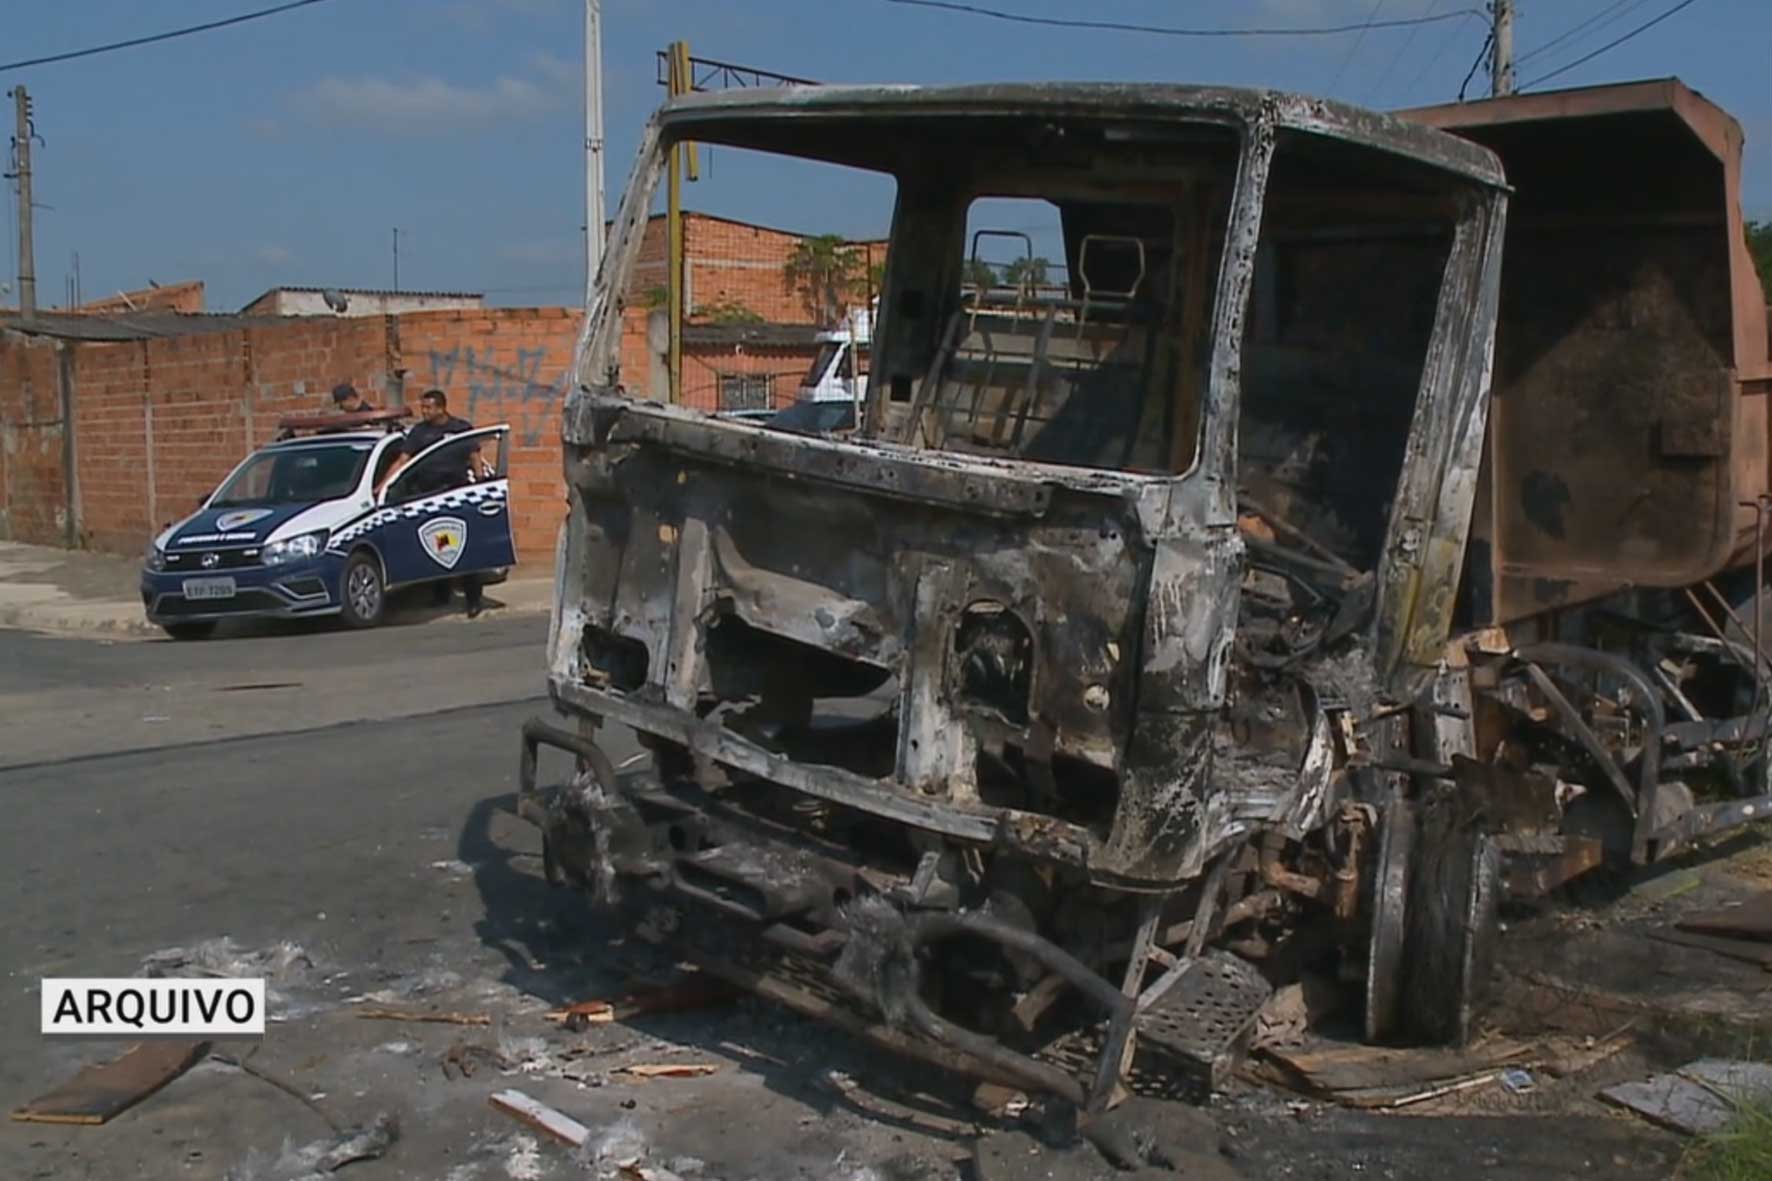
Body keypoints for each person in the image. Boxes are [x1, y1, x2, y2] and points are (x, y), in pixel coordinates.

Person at [375, 389, 490, 617]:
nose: (424, 411)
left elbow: (474, 456)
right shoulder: (419, 432)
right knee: (439, 543)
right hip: (430, 496)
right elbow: (403, 460)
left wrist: (480, 483)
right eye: (423, 407)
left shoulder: (460, 428)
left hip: (457, 493)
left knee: (466, 547)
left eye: (428, 407)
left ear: (441, 407)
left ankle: (473, 599)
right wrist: (383, 485)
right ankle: (441, 594)